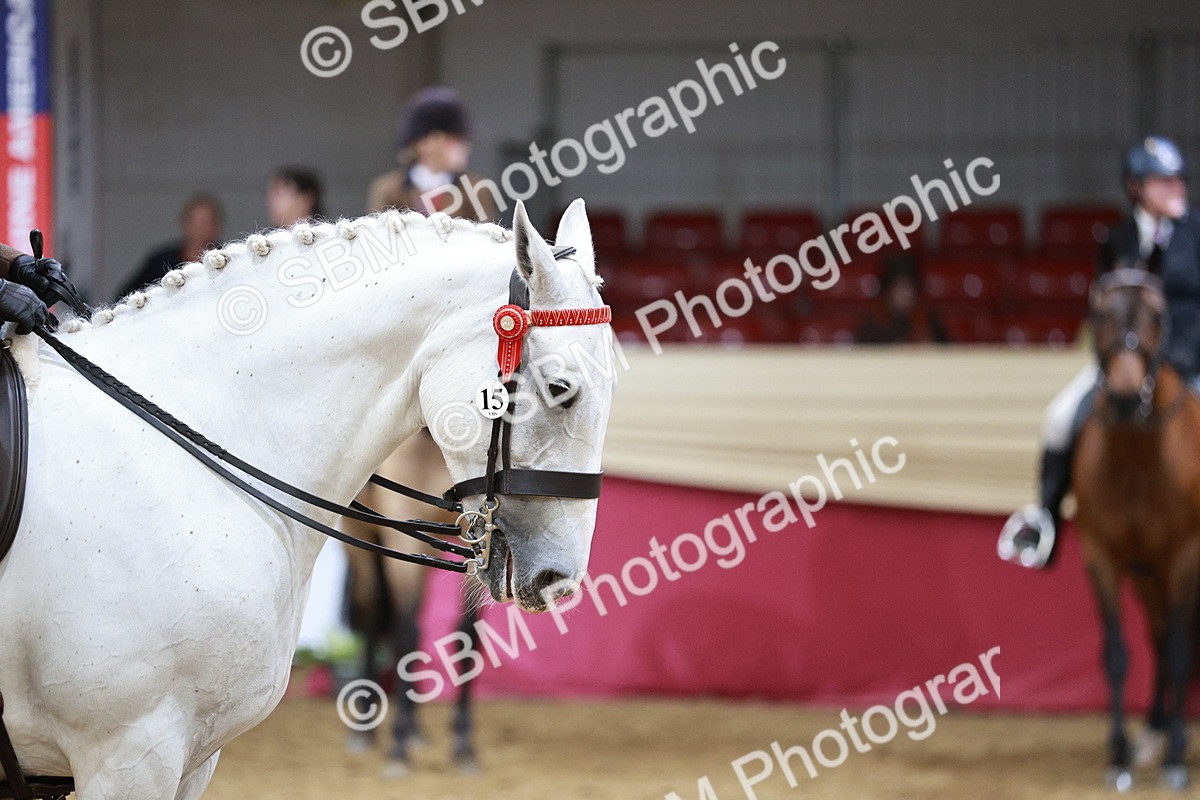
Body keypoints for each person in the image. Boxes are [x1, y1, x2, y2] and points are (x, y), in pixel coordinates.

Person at [998, 135, 1200, 569]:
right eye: (1163, 182)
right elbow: (1105, 312)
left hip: (1190, 361)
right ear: (1136, 188)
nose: (1176, 189)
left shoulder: (1196, 235)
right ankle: (1045, 524)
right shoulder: (1118, 239)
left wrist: (1182, 357)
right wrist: (1112, 362)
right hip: (1126, 363)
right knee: (1058, 419)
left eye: (1178, 180)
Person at [366, 86, 495, 221]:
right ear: (429, 143)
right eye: (456, 139)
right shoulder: (388, 191)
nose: (466, 148)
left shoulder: (475, 190)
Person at [116, 194, 223, 300]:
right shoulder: (161, 262)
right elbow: (126, 297)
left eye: (207, 222)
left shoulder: (226, 262)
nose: (201, 228)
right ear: (185, 223)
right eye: (197, 222)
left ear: (216, 226)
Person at [855, 254, 949, 344]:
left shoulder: (928, 320)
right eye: (898, 288)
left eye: (907, 288)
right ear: (888, 292)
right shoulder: (872, 324)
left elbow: (950, 353)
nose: (903, 294)